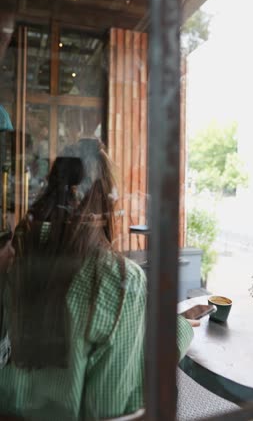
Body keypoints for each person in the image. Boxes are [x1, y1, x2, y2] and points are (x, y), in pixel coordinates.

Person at [0, 139, 195, 421]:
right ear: (105, 200)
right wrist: (177, 332)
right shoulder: (120, 279)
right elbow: (114, 407)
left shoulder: (15, 253)